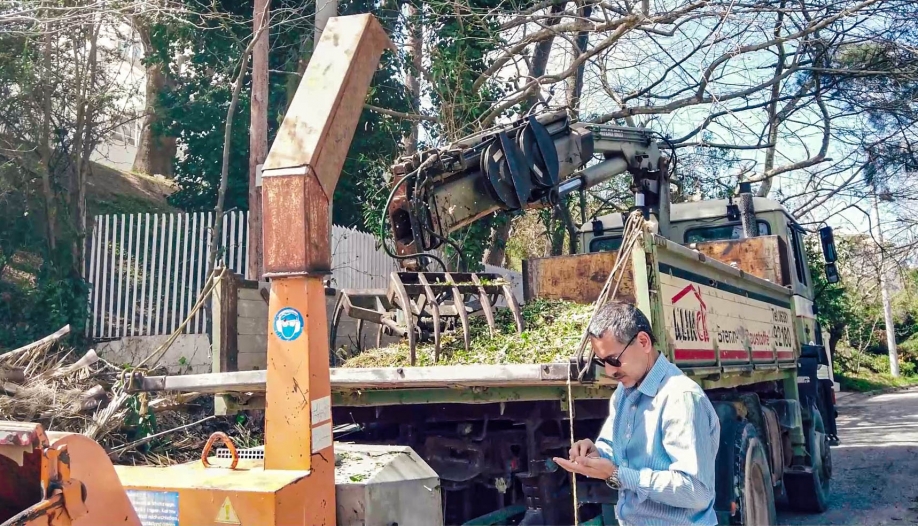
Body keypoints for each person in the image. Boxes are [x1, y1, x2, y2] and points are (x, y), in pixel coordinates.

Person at [553, 301, 720, 526]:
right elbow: (616, 450)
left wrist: (617, 475)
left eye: (614, 360)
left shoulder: (680, 398)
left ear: (643, 342)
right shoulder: (624, 392)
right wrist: (595, 454)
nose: (610, 371)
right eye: (602, 362)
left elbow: (695, 491)